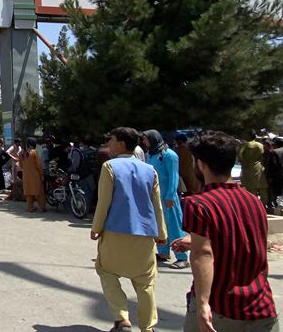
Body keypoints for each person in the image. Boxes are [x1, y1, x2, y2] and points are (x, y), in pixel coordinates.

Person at [169, 131, 279, 332]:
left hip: (220, 308)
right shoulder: (253, 201)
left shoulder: (198, 204)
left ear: (200, 164)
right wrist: (195, 240)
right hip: (261, 307)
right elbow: (243, 241)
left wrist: (203, 304)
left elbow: (203, 254)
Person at [91, 127, 167, 332]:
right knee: (145, 282)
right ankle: (148, 327)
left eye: (112, 139)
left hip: (115, 232)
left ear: (122, 144)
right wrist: (161, 233)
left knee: (105, 271)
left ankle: (121, 318)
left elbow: (103, 202)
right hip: (144, 234)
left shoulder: (109, 167)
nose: (109, 143)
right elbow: (156, 204)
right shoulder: (149, 170)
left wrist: (96, 227)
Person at [141, 129, 188, 269]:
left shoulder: (169, 155)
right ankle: (163, 252)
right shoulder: (150, 154)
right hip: (154, 196)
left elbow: (174, 177)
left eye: (145, 138)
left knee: (174, 225)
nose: (144, 141)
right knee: (159, 225)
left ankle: (182, 257)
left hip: (168, 196)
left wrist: (170, 196)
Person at [20, 138, 46, 213]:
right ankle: (42, 208)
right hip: (35, 175)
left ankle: (30, 208)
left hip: (26, 175)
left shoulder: (21, 153)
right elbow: (38, 165)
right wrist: (41, 174)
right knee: (39, 192)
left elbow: (21, 165)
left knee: (29, 192)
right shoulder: (34, 152)